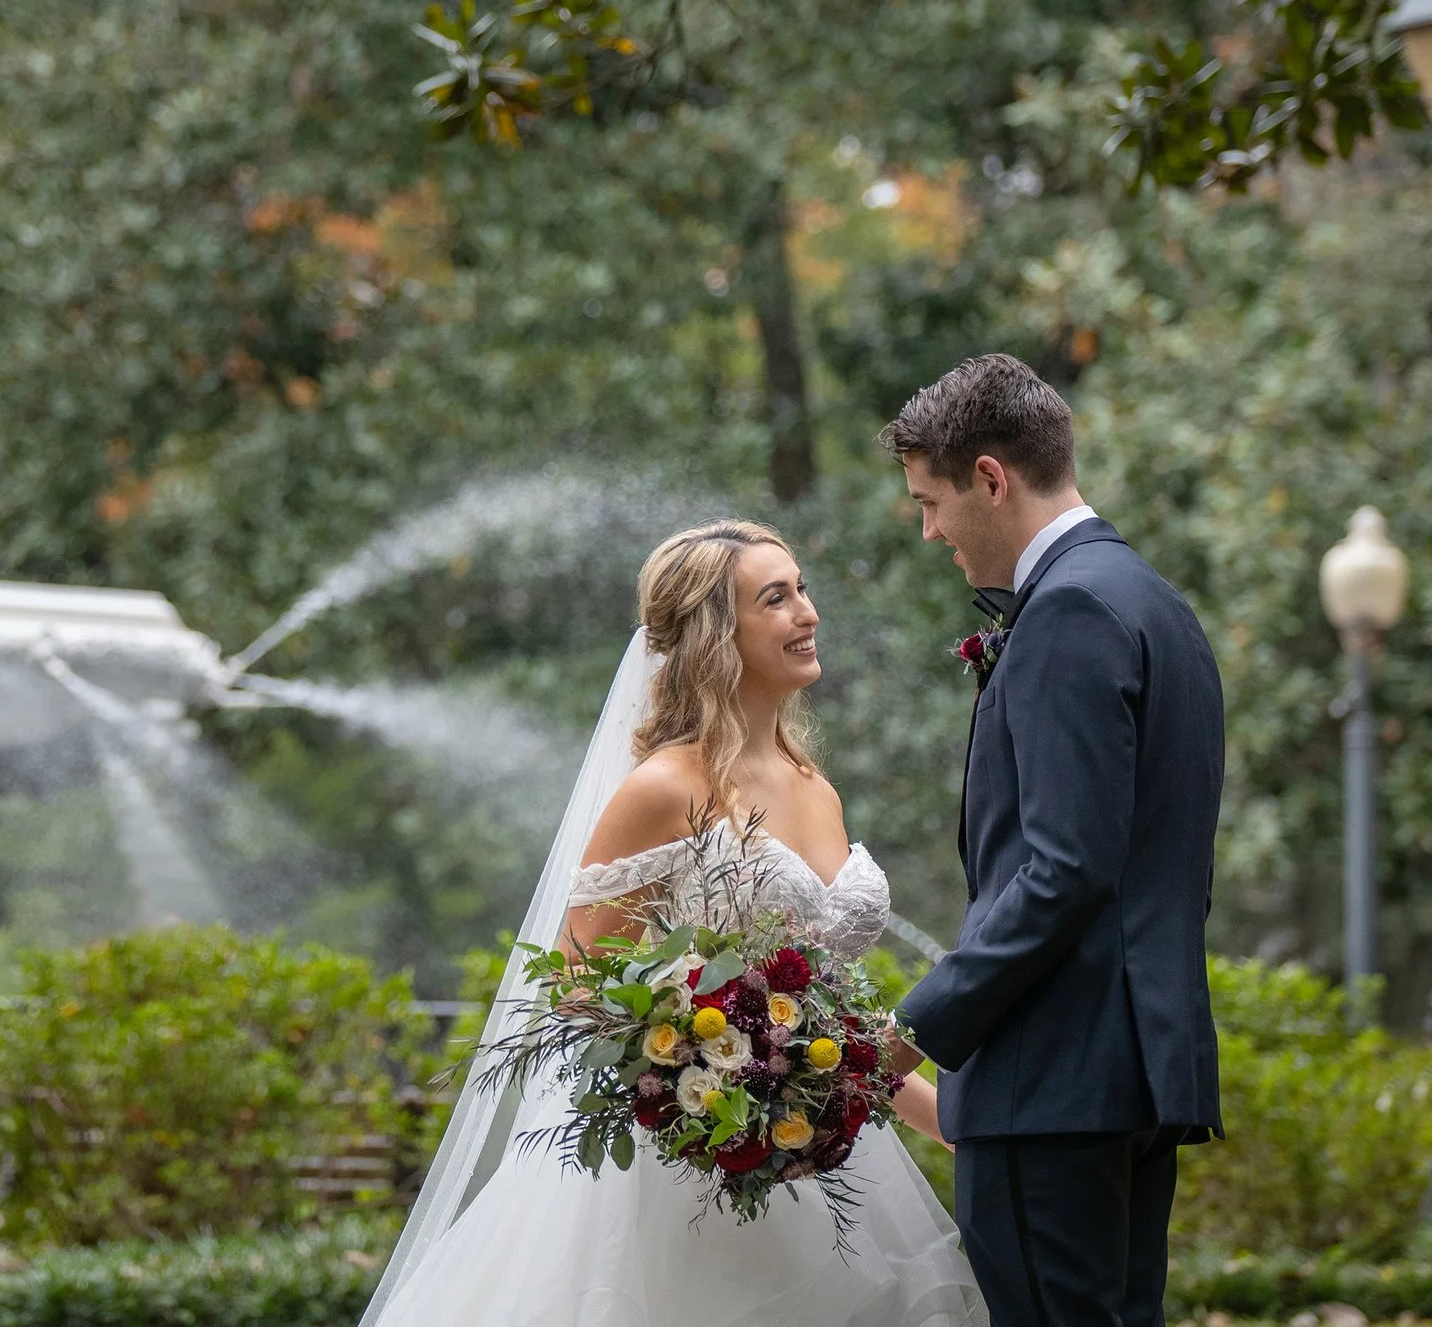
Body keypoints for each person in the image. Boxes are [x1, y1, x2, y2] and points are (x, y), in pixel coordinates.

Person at [363, 520, 986, 1327]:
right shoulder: (664, 789)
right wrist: (707, 1064)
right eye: (776, 598)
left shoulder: (815, 788)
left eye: (802, 589)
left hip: (816, 1155)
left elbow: (828, 1020)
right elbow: (576, 986)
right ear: (715, 637)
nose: (808, 612)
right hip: (681, 1178)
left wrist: (940, 1118)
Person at [882, 355, 1225, 1327]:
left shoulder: (1069, 611)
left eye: (931, 500)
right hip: (1131, 1073)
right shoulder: (1156, 604)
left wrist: (907, 1034)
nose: (930, 529)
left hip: (1050, 1085)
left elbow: (1064, 869)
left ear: (990, 477)